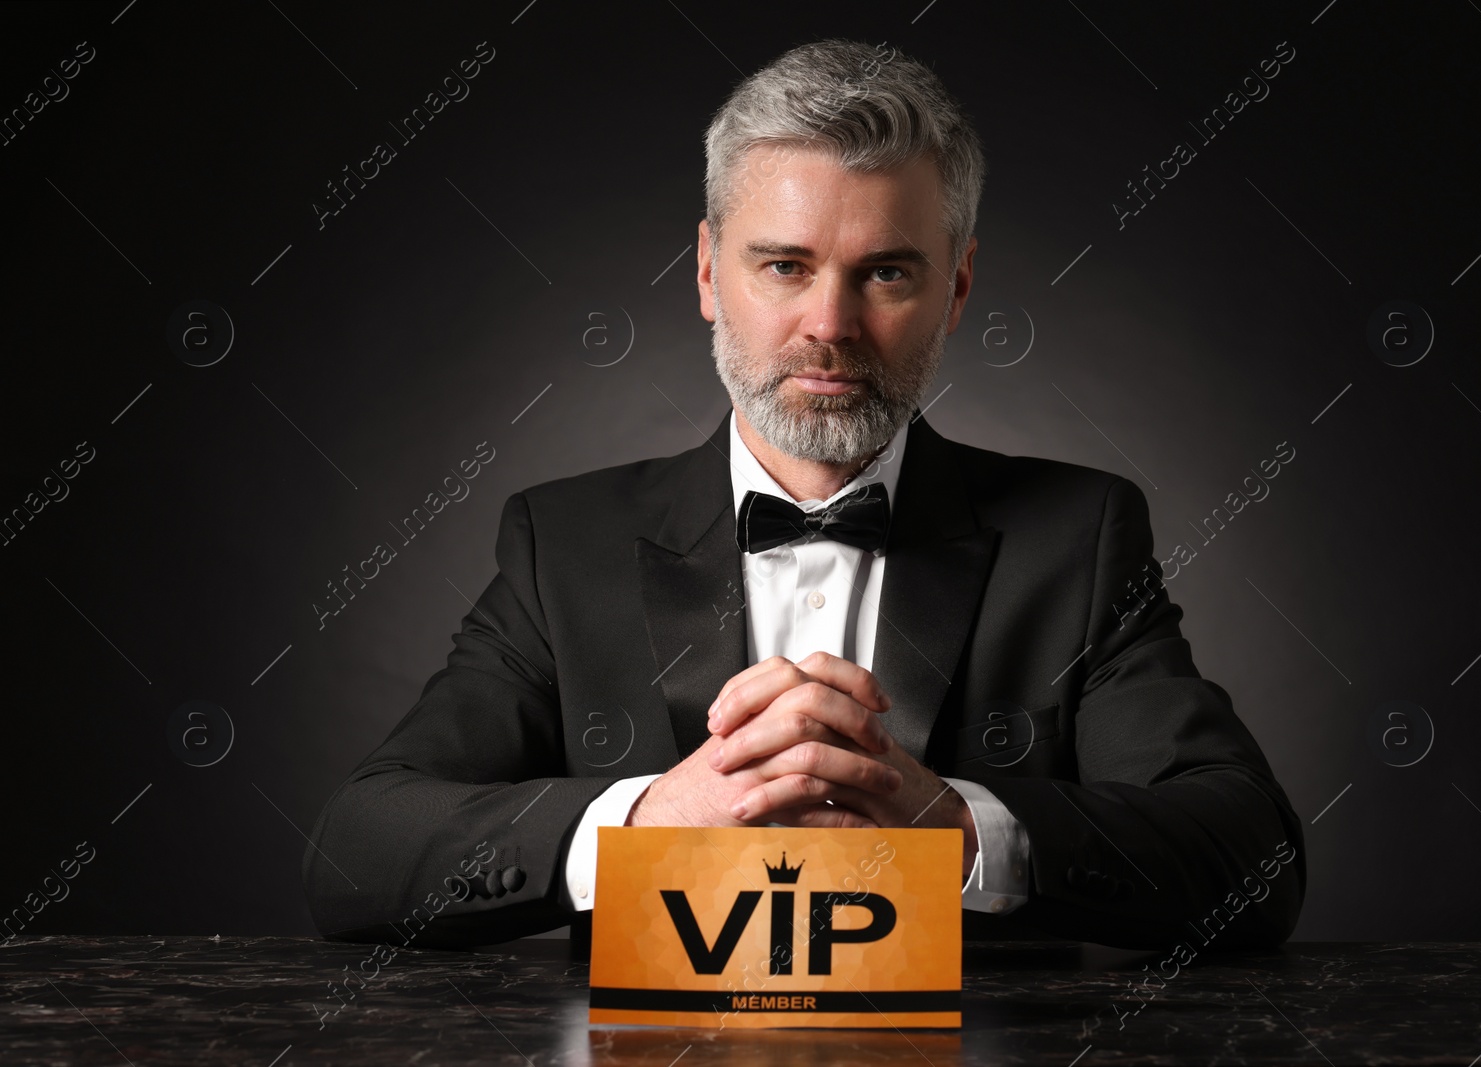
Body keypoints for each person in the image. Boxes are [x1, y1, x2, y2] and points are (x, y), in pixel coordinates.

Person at [302, 38, 1305, 952]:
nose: (830, 323)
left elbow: (1248, 852)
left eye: (887, 273)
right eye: (784, 265)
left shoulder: (1078, 536)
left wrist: (956, 825)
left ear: (955, 290)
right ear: (706, 271)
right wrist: (645, 822)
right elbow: (359, 847)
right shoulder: (562, 540)